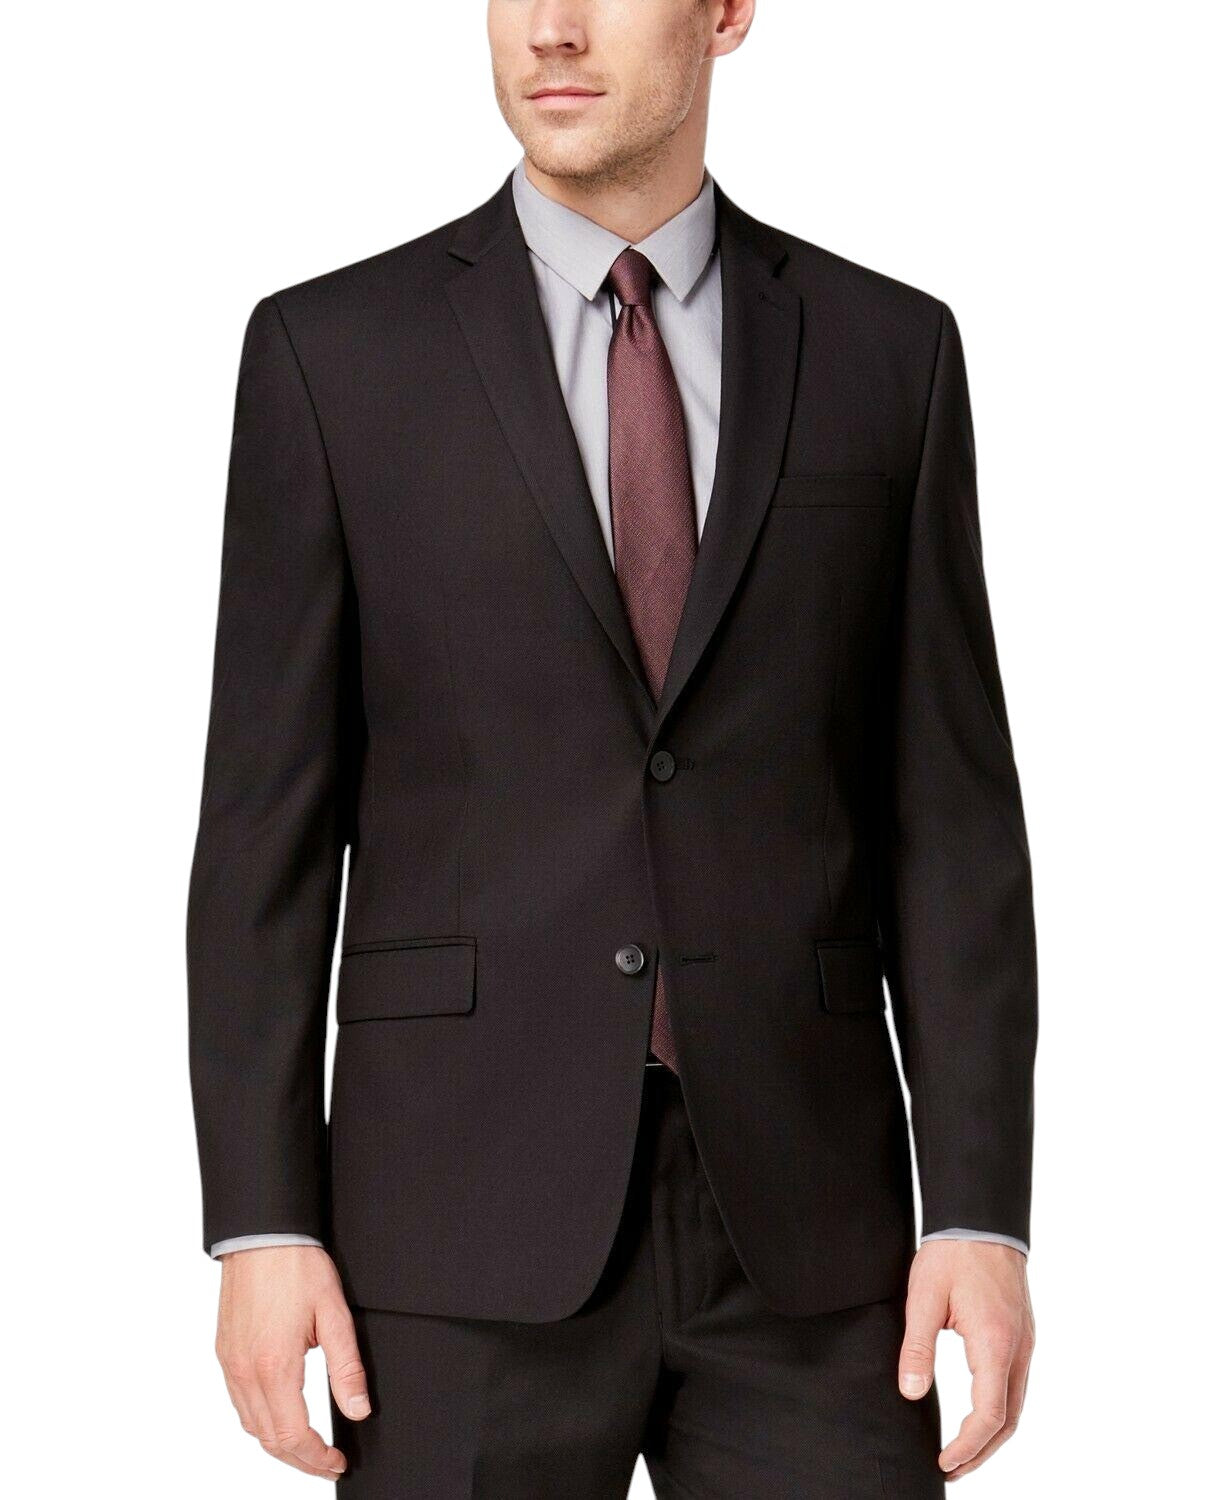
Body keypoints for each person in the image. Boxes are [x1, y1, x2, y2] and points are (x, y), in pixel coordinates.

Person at [187, 2, 1038, 1494]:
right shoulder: (333, 355)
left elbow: (949, 817)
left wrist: (978, 1211)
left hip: (812, 1236)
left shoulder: (886, 350)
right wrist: (262, 1222)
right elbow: (264, 826)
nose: (552, 29)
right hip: (450, 1225)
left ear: (725, 13)